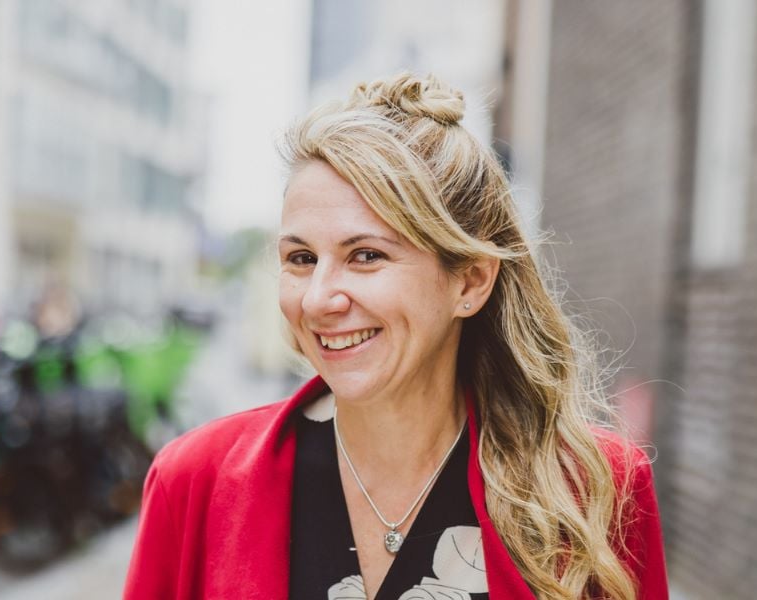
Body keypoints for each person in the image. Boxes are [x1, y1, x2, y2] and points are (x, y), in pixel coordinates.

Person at [124, 73, 667, 599]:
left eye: (366, 256)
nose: (317, 299)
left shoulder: (596, 492)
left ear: (470, 281)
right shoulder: (193, 481)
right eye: (301, 258)